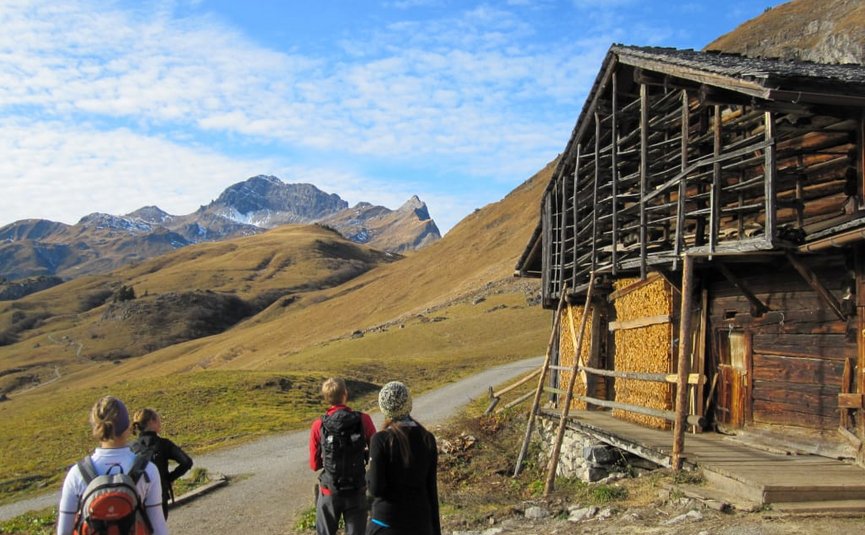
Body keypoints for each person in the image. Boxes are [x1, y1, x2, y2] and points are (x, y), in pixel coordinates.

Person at [57, 395, 168, 535]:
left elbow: (63, 531)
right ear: (128, 427)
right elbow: (158, 528)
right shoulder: (148, 470)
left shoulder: (77, 474)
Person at [366, 381, 440, 535]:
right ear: (409, 404)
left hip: (387, 522)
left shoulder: (380, 439)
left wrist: (368, 475)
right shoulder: (427, 438)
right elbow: (431, 490)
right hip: (420, 523)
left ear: (383, 408)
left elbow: (376, 489)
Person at [309, 377, 377, 535]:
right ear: (345, 394)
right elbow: (376, 451)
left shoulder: (318, 425)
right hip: (356, 489)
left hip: (329, 490)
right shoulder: (363, 419)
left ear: (326, 398)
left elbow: (314, 465)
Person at [132, 408, 194, 519]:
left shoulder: (131, 447)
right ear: (152, 422)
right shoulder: (164, 444)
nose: (160, 423)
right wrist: (169, 478)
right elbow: (187, 462)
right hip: (159, 496)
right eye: (158, 420)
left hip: (137, 498)